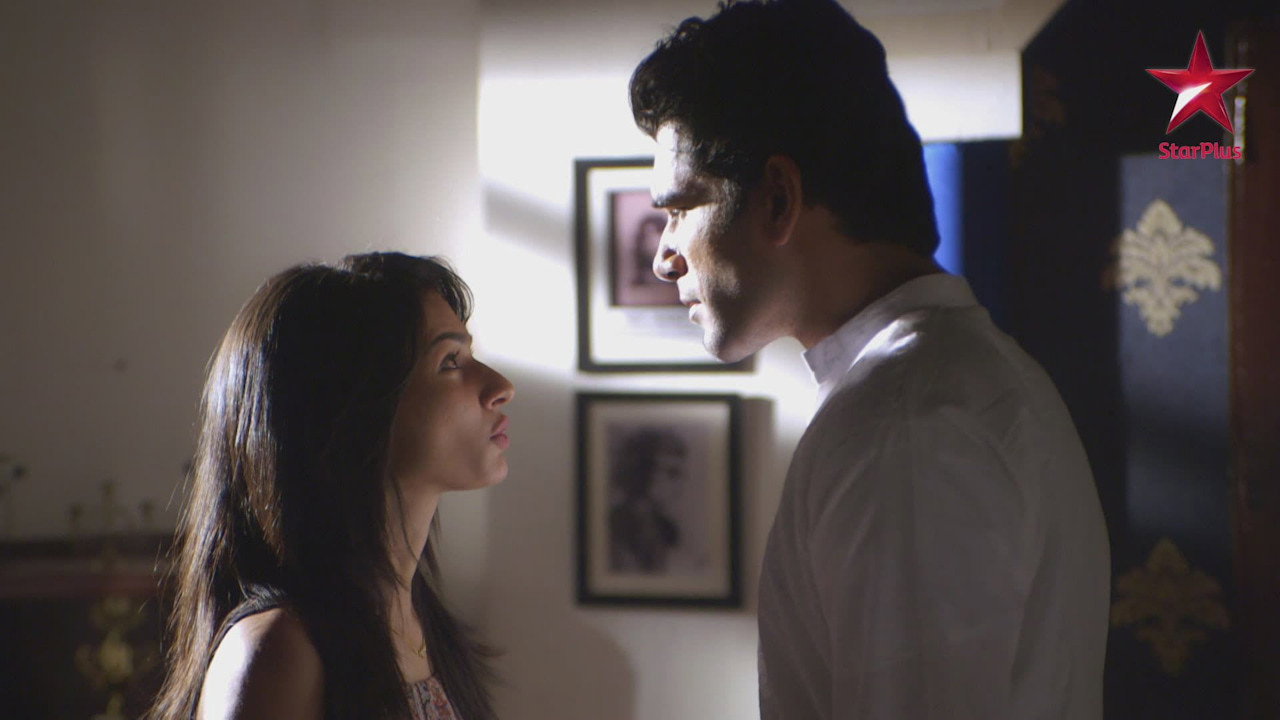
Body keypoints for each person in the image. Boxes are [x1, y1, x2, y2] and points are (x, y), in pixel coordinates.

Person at [630, 1, 1111, 718]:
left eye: (679, 208)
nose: (664, 257)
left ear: (778, 200)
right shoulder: (941, 383)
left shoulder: (903, 422)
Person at [145, 253, 514, 720]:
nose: (501, 387)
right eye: (450, 361)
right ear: (351, 411)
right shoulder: (281, 653)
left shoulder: (420, 625)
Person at [607, 426, 688, 573]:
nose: (680, 484)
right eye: (672, 473)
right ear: (643, 471)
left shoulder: (668, 530)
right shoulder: (613, 527)